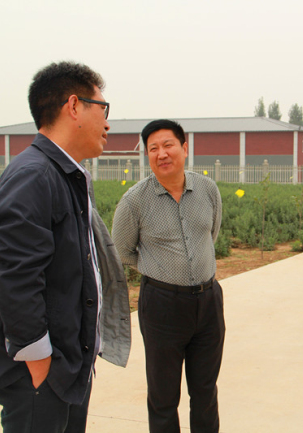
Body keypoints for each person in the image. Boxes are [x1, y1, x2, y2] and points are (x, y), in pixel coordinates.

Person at [0, 61, 131, 433]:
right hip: (40, 376)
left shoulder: (63, 175)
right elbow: (16, 280)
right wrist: (40, 362)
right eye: (103, 108)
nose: (107, 123)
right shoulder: (34, 176)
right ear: (74, 106)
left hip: (64, 368)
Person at [112, 119, 225, 433]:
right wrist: (158, 268)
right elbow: (122, 251)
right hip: (162, 306)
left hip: (208, 302)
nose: (161, 154)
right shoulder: (135, 201)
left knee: (205, 391)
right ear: (147, 155)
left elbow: (211, 235)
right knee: (163, 396)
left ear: (184, 148)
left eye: (168, 145)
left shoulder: (207, 190)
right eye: (153, 148)